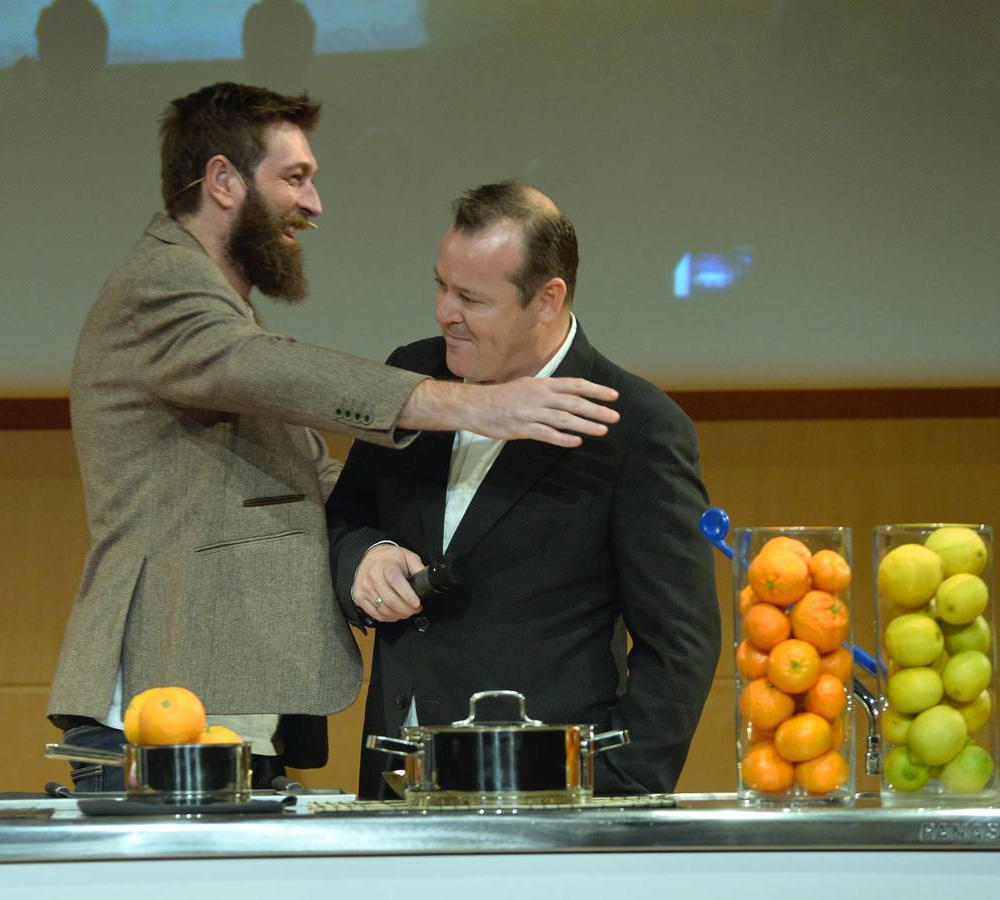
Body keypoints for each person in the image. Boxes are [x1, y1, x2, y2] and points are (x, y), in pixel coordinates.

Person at [46, 84, 621, 791]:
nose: (313, 204)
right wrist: (476, 407)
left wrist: (371, 546)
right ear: (223, 181)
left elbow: (301, 474)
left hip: (218, 711)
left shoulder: (217, 307)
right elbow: (271, 369)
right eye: (295, 178)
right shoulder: (163, 288)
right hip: (157, 709)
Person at [326, 180, 720, 798]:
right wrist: (363, 559)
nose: (443, 313)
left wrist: (613, 787)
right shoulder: (414, 376)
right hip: (394, 784)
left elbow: (681, 643)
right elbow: (342, 519)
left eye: (471, 298)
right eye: (440, 286)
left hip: (548, 795)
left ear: (546, 299)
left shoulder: (636, 426)